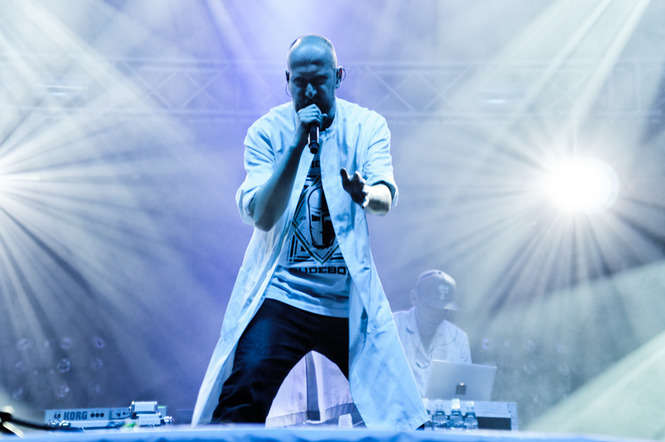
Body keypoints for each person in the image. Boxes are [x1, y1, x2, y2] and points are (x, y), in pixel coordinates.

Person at [191, 35, 427, 430]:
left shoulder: (366, 126)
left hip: (346, 300)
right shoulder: (267, 132)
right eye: (300, 82)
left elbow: (385, 197)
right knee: (241, 398)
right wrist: (297, 144)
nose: (311, 92)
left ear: (338, 77)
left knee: (397, 413)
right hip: (283, 294)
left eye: (319, 81)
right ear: (287, 80)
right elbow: (263, 216)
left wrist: (365, 193)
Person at [393, 270, 471, 396]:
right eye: (430, 308)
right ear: (414, 298)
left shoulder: (459, 338)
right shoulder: (392, 327)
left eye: (443, 310)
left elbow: (465, 390)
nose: (436, 316)